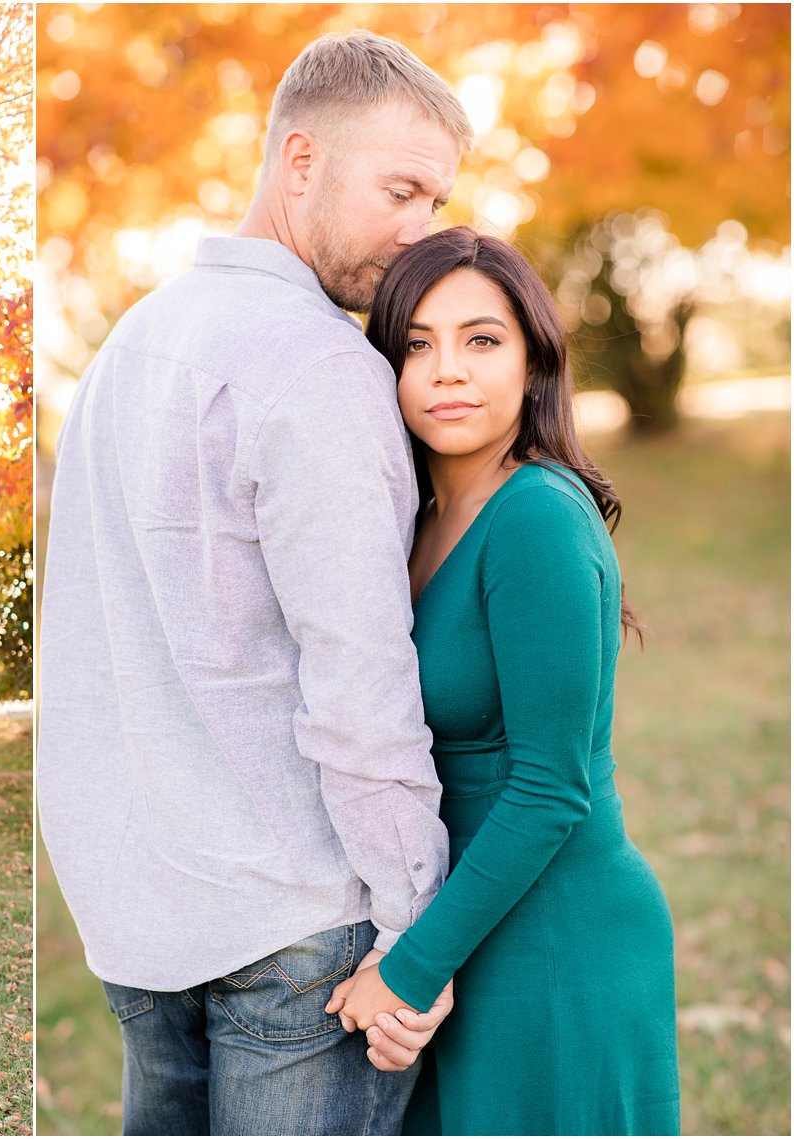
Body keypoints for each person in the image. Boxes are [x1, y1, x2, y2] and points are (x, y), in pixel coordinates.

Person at [38, 31, 471, 1134]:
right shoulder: (319, 367)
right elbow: (359, 673)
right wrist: (416, 925)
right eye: (401, 189)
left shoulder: (125, 351)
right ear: (298, 163)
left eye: (435, 198)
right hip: (296, 926)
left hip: (139, 907)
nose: (422, 229)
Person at [326, 227, 680, 1134]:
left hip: (556, 939)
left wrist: (407, 969)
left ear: (533, 361)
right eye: (417, 343)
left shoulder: (535, 519)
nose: (448, 369)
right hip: (465, 927)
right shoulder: (413, 520)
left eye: (482, 339)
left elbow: (549, 787)